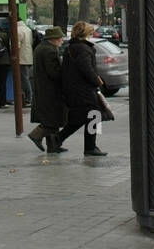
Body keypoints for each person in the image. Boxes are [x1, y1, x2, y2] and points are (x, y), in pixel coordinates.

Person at [55, 22, 107, 156]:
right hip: (84, 89)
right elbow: (86, 68)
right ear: (85, 34)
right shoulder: (83, 49)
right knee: (94, 115)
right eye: (90, 32)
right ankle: (90, 147)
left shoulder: (71, 47)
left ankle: (58, 138)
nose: (92, 34)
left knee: (80, 116)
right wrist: (96, 80)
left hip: (74, 89)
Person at [29, 26, 67, 153]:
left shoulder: (41, 47)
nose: (62, 40)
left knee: (51, 118)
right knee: (52, 119)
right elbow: (54, 73)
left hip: (43, 88)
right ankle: (36, 135)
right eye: (60, 37)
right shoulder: (50, 51)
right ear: (54, 38)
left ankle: (53, 145)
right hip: (50, 90)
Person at [16, 19, 35, 105]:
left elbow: (17, 46)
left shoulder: (17, 30)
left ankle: (28, 98)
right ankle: (28, 97)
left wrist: (15, 58)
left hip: (21, 58)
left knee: (24, 79)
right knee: (26, 78)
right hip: (28, 57)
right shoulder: (28, 29)